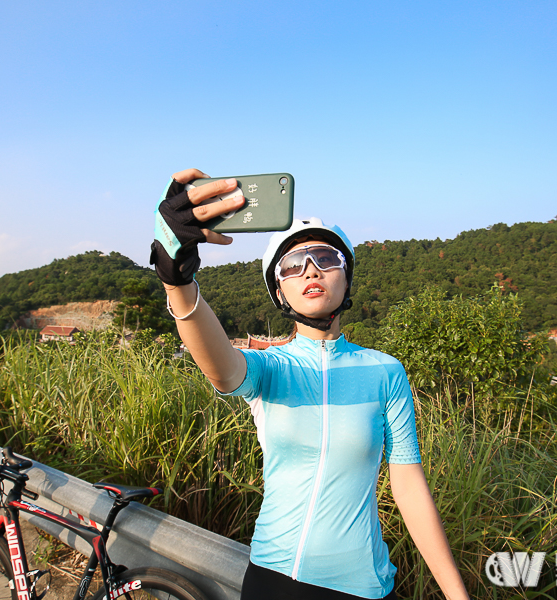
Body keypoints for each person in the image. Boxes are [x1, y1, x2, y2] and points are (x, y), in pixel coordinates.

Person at [150, 169, 470, 600]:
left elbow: (409, 486)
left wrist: (457, 594)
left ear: (347, 277)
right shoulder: (270, 368)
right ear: (280, 293)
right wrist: (178, 280)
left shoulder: (385, 372)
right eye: (292, 266)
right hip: (275, 580)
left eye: (325, 258)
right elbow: (222, 368)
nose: (310, 271)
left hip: (367, 585)